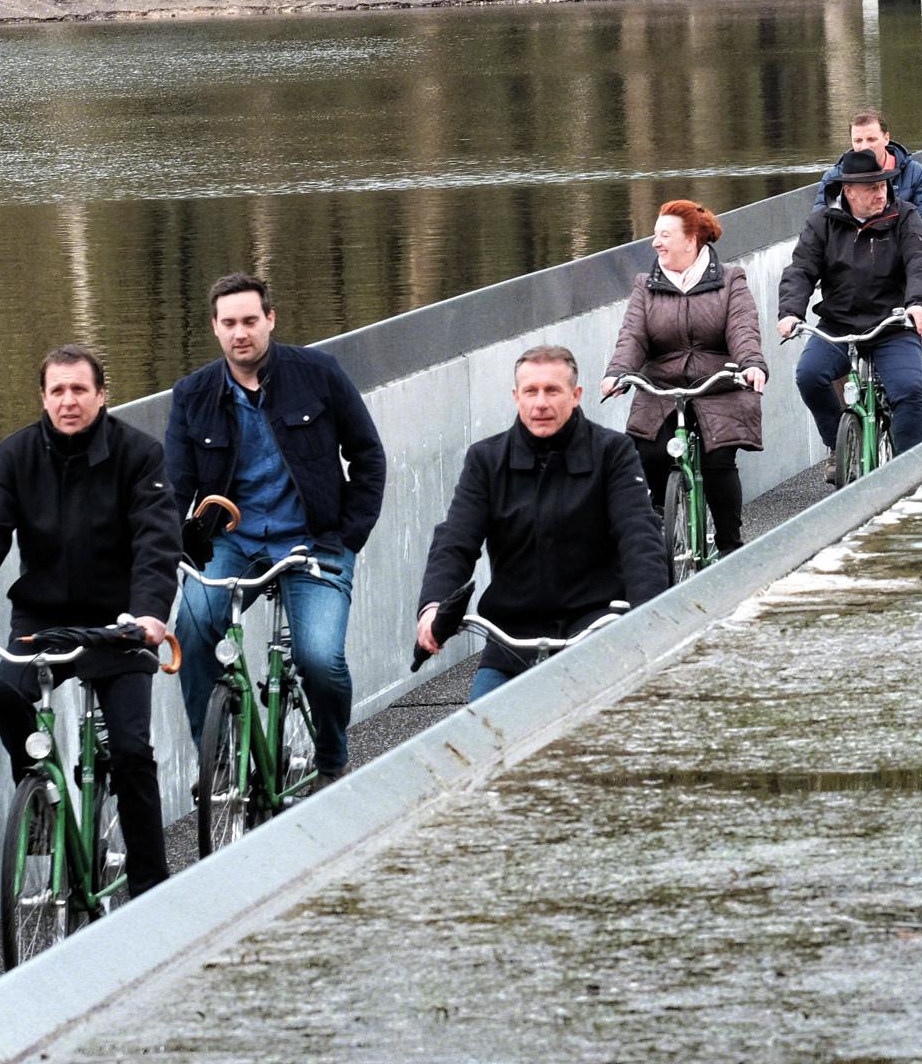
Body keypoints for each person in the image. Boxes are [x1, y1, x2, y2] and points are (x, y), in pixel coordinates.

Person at [0, 344, 182, 894]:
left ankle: (152, 890)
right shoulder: (15, 457)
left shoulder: (138, 454)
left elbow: (157, 540)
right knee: (6, 695)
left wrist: (150, 613)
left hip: (119, 622)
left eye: (79, 390)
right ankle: (42, 799)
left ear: (101, 395)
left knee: (131, 753)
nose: (68, 401)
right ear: (42, 398)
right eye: (57, 391)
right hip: (42, 618)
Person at [166, 272, 386, 786]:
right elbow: (174, 488)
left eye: (249, 320)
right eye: (229, 323)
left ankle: (332, 757)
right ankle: (216, 757)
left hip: (314, 538)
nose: (240, 333)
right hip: (230, 540)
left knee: (319, 659)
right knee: (193, 633)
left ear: (270, 319)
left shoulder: (319, 373)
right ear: (215, 329)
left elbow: (368, 456)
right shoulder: (192, 394)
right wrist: (172, 549)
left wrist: (348, 536)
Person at [413, 346, 667, 701]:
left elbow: (638, 534)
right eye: (530, 391)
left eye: (553, 390)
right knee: (479, 736)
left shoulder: (613, 453)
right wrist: (433, 607)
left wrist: (650, 614)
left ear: (576, 396)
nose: (541, 402)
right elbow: (456, 539)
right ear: (516, 397)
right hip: (512, 637)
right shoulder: (486, 461)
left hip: (594, 625)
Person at [600, 200, 766, 554]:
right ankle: (664, 516)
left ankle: (730, 547)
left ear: (691, 239)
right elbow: (632, 336)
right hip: (662, 386)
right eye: (655, 235)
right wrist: (618, 372)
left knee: (717, 461)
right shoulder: (646, 285)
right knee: (651, 453)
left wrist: (751, 363)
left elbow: (743, 328)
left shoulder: (730, 280)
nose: (655, 243)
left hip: (718, 384)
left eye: (664, 235)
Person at [779, 148, 922, 469]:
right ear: (848, 191)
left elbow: (921, 262)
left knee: (908, 392)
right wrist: (790, 312)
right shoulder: (821, 223)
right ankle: (840, 443)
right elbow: (801, 269)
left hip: (892, 325)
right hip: (839, 325)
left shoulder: (904, 216)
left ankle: (908, 471)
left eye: (883, 186)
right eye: (872, 188)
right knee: (809, 375)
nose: (881, 194)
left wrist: (919, 304)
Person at [814, 108, 922, 263]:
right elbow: (819, 230)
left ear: (886, 138)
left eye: (871, 139)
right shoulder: (833, 179)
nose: (864, 147)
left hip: (903, 261)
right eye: (858, 141)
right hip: (851, 264)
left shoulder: (916, 174)